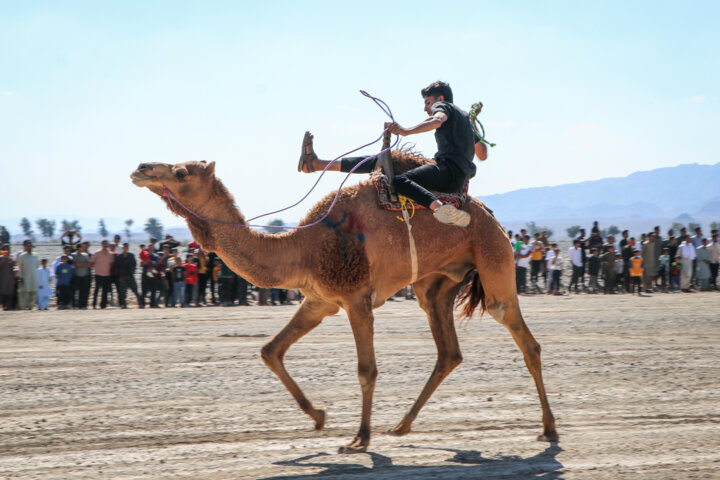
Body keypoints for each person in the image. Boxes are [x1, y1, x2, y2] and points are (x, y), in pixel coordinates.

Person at [297, 81, 487, 227]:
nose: (426, 108)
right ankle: (317, 164)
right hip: (457, 176)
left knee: (397, 181)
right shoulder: (465, 120)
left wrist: (405, 131)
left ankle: (439, 209)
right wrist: (473, 123)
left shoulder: (443, 108)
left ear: (440, 99)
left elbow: (437, 120)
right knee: (384, 161)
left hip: (447, 171)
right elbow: (483, 154)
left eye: (428, 102)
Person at [116, 243, 143, 308]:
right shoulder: (119, 257)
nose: (125, 248)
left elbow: (134, 264)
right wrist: (120, 273)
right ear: (123, 248)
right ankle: (123, 304)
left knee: (135, 290)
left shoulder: (131, 256)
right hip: (122, 276)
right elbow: (117, 266)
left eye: (126, 247)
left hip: (130, 276)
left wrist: (133, 271)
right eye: (124, 247)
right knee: (123, 292)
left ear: (128, 248)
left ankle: (141, 304)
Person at [91, 240, 115, 309]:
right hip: (98, 274)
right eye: (104, 244)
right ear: (101, 244)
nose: (105, 245)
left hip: (107, 275)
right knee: (97, 290)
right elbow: (92, 262)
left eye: (106, 244)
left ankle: (103, 305)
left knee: (105, 291)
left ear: (108, 245)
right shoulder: (97, 253)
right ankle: (94, 304)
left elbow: (112, 263)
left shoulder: (110, 254)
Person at [16, 240, 40, 310]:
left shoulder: (35, 255)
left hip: (33, 276)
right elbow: (20, 266)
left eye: (30, 246)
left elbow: (37, 265)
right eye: (28, 246)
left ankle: (31, 306)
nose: (29, 247)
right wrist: (21, 276)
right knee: (24, 292)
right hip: (25, 276)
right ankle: (24, 306)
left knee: (33, 291)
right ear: (25, 247)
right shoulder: (22, 256)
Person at [72, 242, 92, 309]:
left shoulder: (85, 255)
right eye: (81, 247)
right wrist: (83, 264)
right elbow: (75, 264)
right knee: (76, 291)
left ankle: (83, 305)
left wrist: (80, 264)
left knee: (84, 291)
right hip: (76, 276)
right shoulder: (73, 255)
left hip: (85, 275)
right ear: (78, 248)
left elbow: (89, 264)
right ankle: (75, 305)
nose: (83, 248)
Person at [0, 244, 15, 310]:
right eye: (5, 250)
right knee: (3, 292)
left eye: (7, 249)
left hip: (10, 279)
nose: (6, 251)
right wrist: (3, 259)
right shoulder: (0, 258)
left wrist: (14, 277)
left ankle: (10, 306)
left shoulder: (11, 259)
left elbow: (13, 269)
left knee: (10, 292)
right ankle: (4, 305)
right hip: (2, 278)